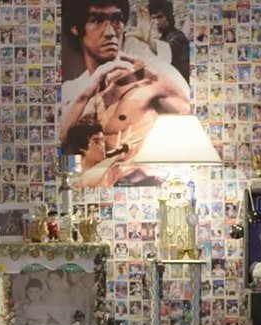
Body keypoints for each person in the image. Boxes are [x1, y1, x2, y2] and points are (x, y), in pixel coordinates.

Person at [59, 0, 190, 186]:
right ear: (75, 28)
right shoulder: (74, 91)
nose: (111, 32)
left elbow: (193, 127)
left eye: (117, 20)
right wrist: (87, 91)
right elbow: (61, 146)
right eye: (97, 20)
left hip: (143, 188)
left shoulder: (154, 76)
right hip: (90, 191)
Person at [147, 0, 189, 82]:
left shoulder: (179, 38)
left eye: (160, 17)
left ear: (168, 17)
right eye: (153, 18)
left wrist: (149, 42)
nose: (156, 22)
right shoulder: (162, 38)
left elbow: (169, 50)